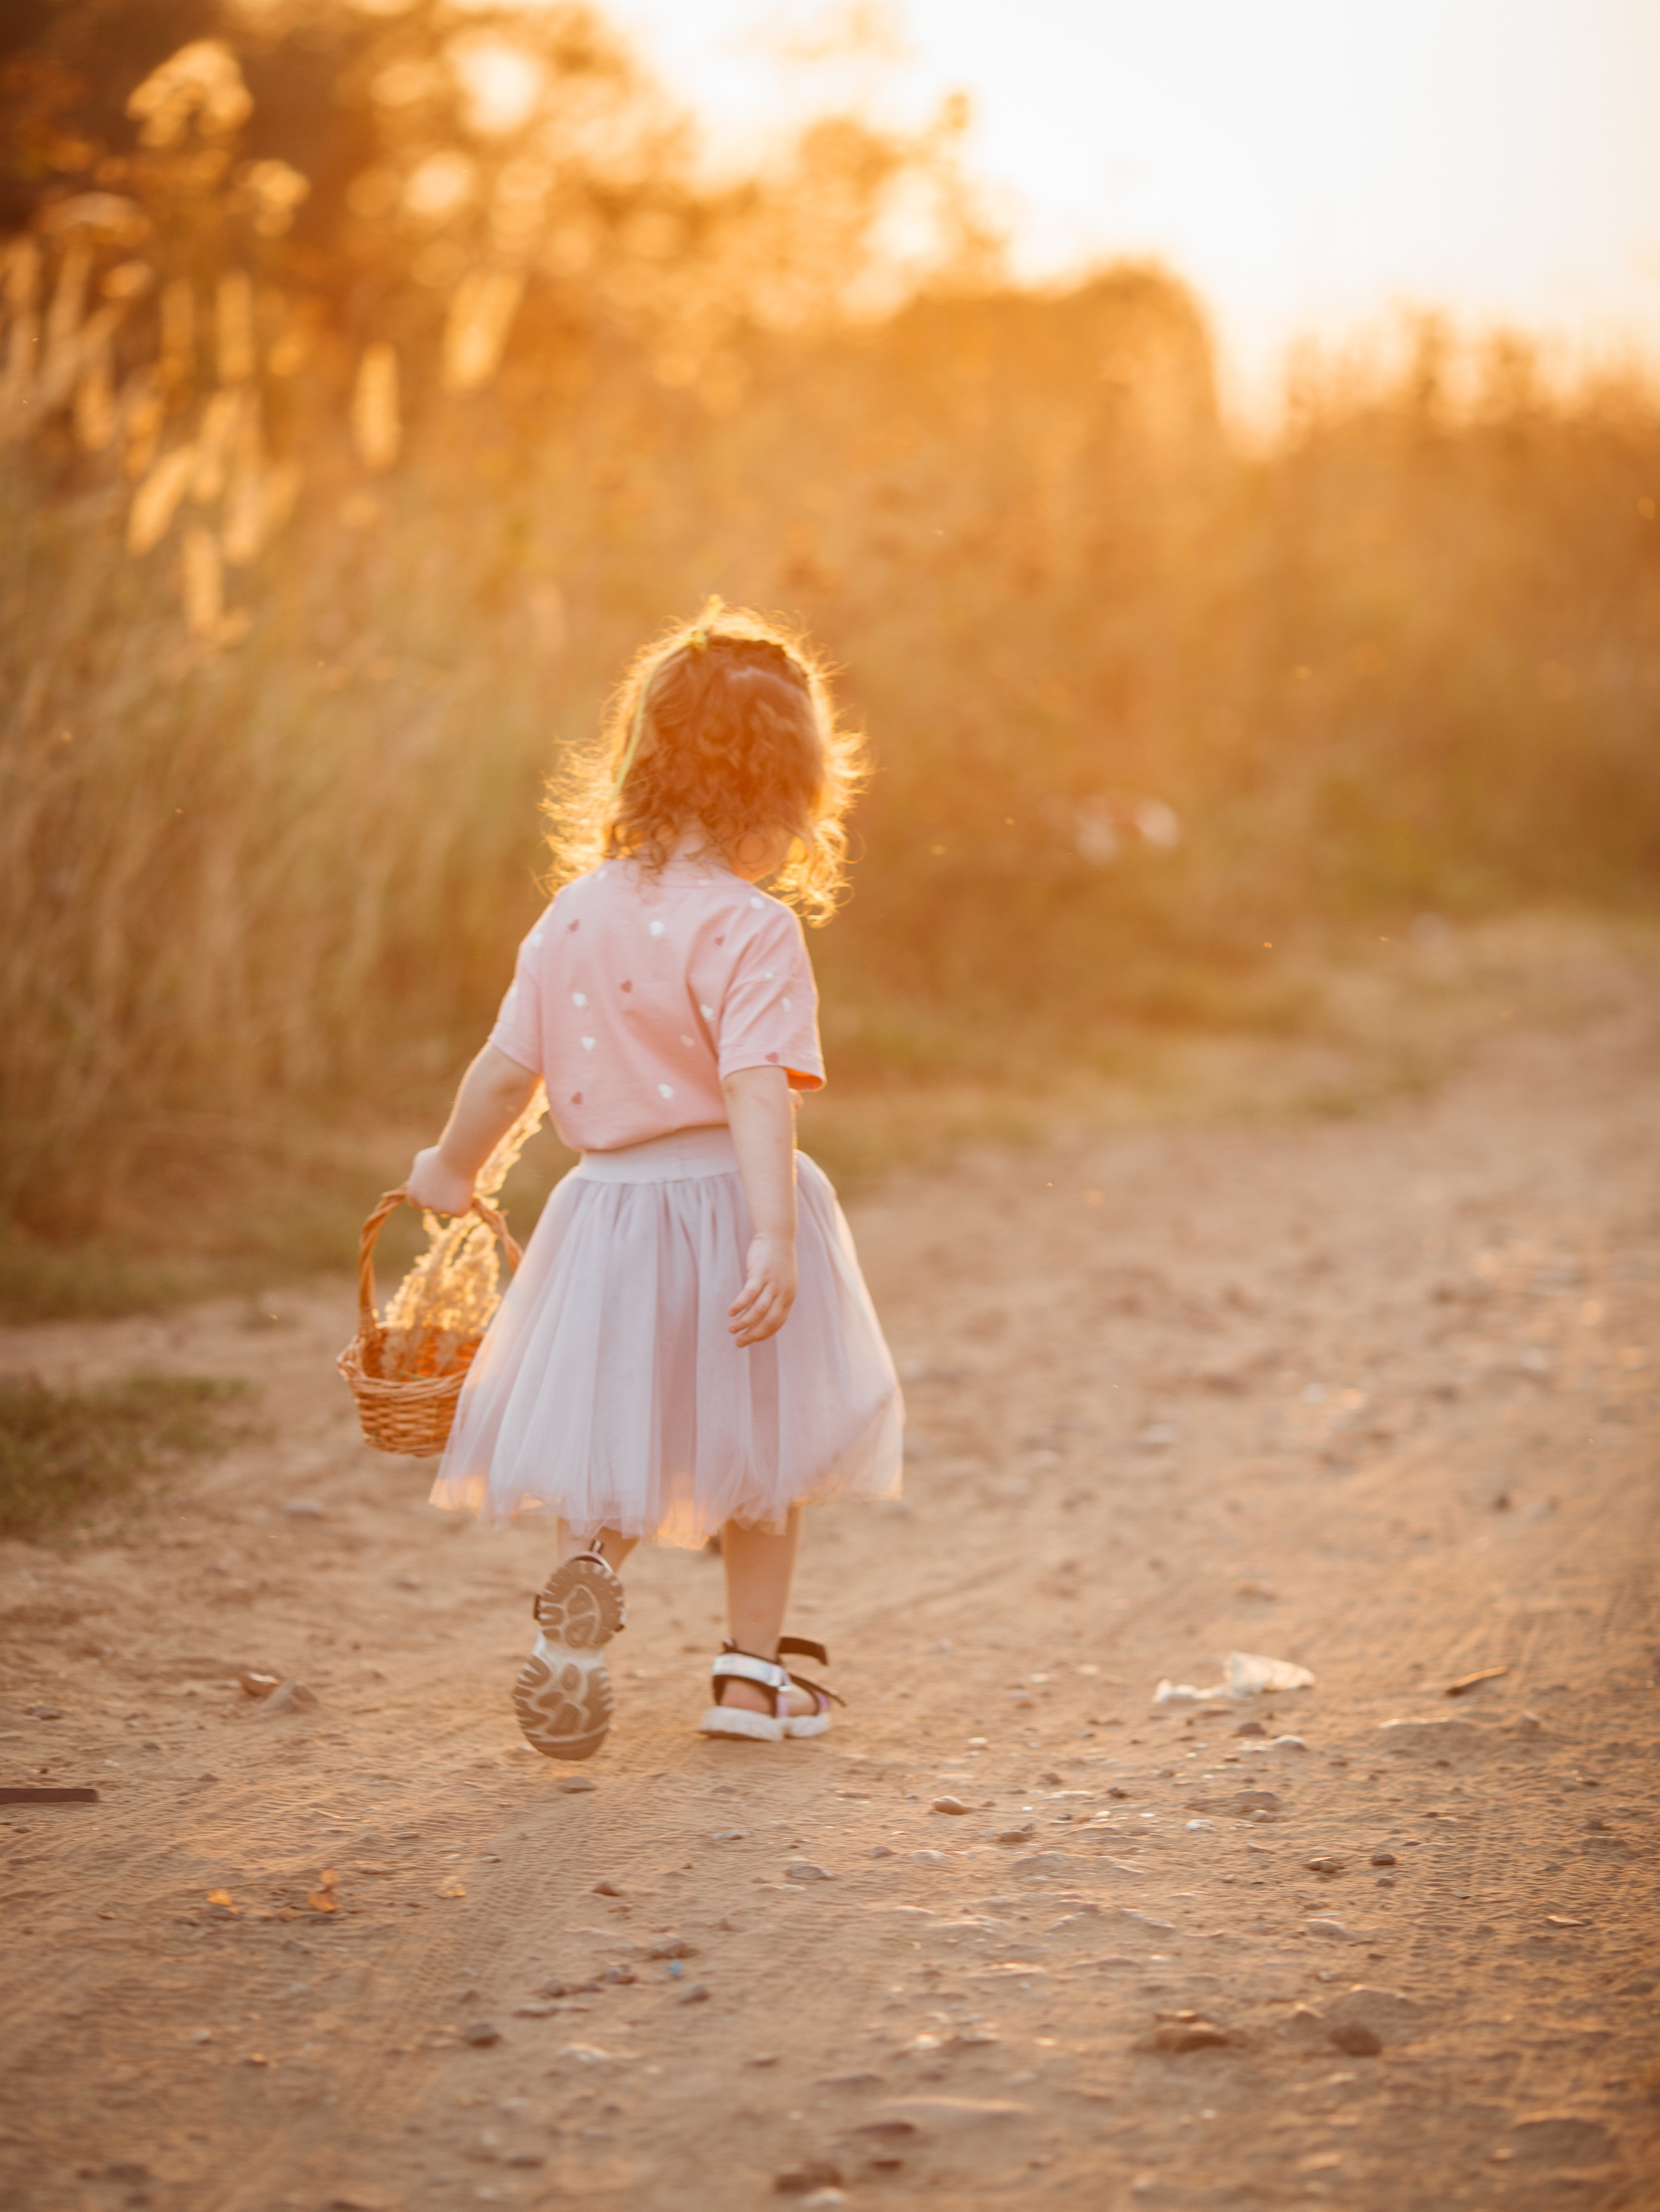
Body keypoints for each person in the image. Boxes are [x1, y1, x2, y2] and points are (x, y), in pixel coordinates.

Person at [406, 604, 903, 1759]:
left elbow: (503, 1072)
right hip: (728, 1208)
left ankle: (582, 1598)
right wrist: (775, 1240)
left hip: (608, 1214)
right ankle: (747, 1679)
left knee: (625, 1433)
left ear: (639, 761)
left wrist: (448, 1166)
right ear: (787, 788)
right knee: (763, 1448)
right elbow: (756, 1090)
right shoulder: (752, 926)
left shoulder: (571, 916)